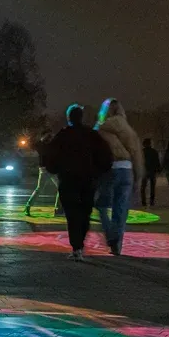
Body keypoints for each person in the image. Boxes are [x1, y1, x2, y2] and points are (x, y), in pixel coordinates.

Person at [37, 103, 113, 259]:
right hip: (88, 180)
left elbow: (51, 156)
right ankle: (80, 243)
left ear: (68, 118)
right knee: (85, 212)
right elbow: (106, 156)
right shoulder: (92, 135)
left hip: (68, 179)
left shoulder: (63, 135)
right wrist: (98, 172)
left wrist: (55, 169)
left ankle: (76, 246)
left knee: (72, 214)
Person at [92, 98, 142, 257]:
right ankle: (117, 246)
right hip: (127, 170)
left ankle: (110, 235)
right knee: (120, 210)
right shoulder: (129, 130)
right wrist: (138, 177)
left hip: (110, 169)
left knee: (101, 205)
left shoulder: (100, 129)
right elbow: (136, 154)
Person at [139, 138, 161, 208]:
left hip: (145, 171)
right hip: (152, 171)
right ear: (150, 144)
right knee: (152, 187)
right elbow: (157, 162)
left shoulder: (141, 152)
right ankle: (152, 201)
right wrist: (158, 169)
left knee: (143, 187)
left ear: (144, 144)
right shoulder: (154, 151)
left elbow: (139, 162)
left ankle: (143, 201)